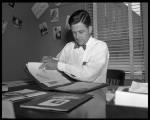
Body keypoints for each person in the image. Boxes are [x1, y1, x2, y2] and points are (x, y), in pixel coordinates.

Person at [39, 9, 109, 83]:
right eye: (74, 32)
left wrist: (58, 65)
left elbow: (89, 75)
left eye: (81, 32)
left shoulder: (101, 47)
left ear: (90, 29)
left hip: (95, 92)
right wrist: (49, 61)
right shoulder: (69, 46)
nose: (77, 37)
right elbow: (58, 62)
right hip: (71, 91)